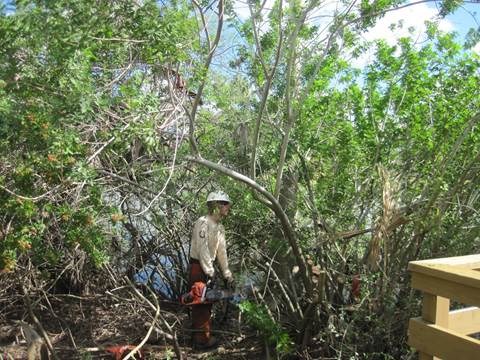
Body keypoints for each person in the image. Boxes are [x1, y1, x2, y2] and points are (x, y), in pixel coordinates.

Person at [189, 190, 235, 349]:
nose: (228, 208)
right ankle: (201, 341)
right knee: (200, 301)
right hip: (198, 267)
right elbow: (202, 250)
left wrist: (226, 272)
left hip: (209, 266)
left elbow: (221, 252)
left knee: (207, 303)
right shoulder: (203, 222)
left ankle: (201, 336)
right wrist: (210, 271)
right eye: (226, 205)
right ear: (217, 205)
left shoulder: (220, 227)